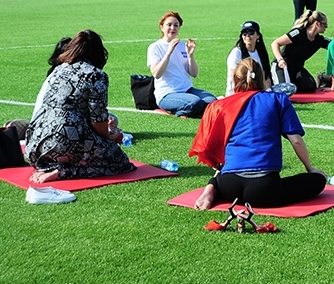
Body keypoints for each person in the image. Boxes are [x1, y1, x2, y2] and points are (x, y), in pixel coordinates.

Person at [190, 58, 327, 210]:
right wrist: (310, 168)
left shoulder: (220, 105)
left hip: (228, 187)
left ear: (235, 79)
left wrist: (219, 169)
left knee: (225, 172)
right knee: (317, 180)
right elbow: (296, 140)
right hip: (264, 189)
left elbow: (208, 147)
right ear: (263, 78)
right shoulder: (277, 100)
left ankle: (212, 187)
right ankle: (216, 186)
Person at [26, 30, 134, 183]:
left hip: (35, 148)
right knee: (119, 160)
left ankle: (55, 166)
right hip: (62, 143)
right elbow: (97, 119)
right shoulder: (96, 75)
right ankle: (63, 172)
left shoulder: (58, 69)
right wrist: (108, 137)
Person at [147, 11, 216, 118]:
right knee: (195, 103)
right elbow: (156, 74)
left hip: (187, 90)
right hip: (167, 94)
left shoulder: (183, 45)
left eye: (176, 25)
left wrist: (190, 55)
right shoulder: (155, 47)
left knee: (212, 102)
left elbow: (194, 73)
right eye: (169, 25)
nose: (172, 28)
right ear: (162, 27)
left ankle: (188, 110)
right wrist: (169, 52)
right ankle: (173, 111)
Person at [271, 10, 330, 93]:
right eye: (325, 24)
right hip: (282, 67)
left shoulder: (319, 40)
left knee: (310, 87)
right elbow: (275, 43)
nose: (326, 27)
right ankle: (272, 80)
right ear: (317, 24)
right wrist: (280, 60)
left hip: (297, 69)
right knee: (283, 91)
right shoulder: (298, 32)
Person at [225, 21, 271, 96]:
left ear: (258, 35)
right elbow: (235, 77)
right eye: (244, 33)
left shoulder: (261, 53)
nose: (247, 35)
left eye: (251, 32)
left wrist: (268, 92)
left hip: (257, 93)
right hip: (238, 93)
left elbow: (266, 77)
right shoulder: (236, 52)